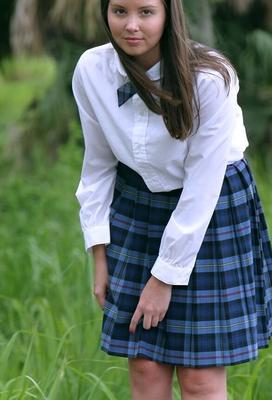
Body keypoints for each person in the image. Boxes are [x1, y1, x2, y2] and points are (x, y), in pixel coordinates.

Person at [72, 0, 272, 399]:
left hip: (210, 211)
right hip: (137, 204)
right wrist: (99, 253)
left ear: (169, 14)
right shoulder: (92, 70)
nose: (131, 25)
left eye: (146, 12)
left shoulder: (210, 78)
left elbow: (202, 187)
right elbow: (96, 163)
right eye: (119, 11)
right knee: (145, 365)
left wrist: (164, 277)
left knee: (199, 377)